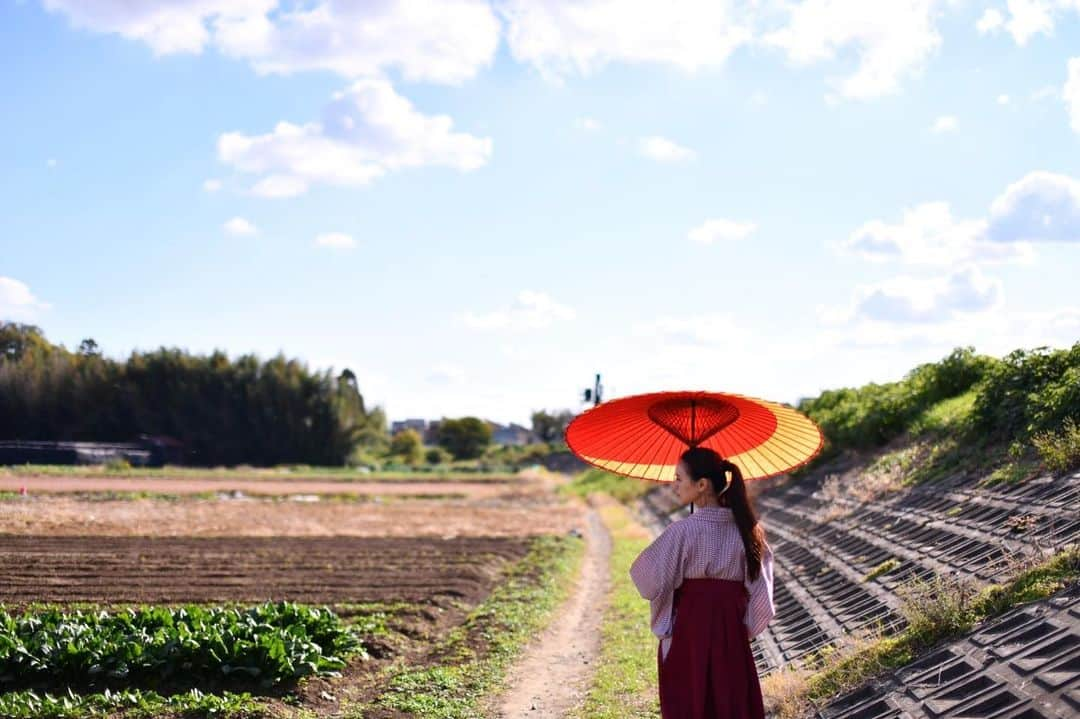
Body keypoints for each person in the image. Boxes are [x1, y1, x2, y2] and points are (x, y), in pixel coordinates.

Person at [629, 446, 775, 719]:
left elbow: (646, 581)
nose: (674, 486)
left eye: (679, 479)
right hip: (731, 630)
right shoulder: (748, 530)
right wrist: (742, 628)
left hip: (690, 630)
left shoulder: (681, 532)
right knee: (730, 699)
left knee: (691, 700)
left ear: (702, 485)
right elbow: (761, 592)